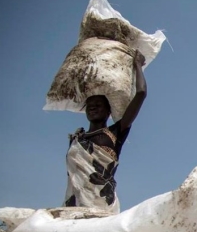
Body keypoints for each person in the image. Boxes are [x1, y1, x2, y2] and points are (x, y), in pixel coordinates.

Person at [63, 50, 147, 213]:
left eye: (98, 104)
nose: (93, 107)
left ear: (109, 111)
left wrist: (138, 65)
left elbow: (141, 93)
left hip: (101, 203)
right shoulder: (77, 139)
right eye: (89, 104)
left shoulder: (116, 131)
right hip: (75, 204)